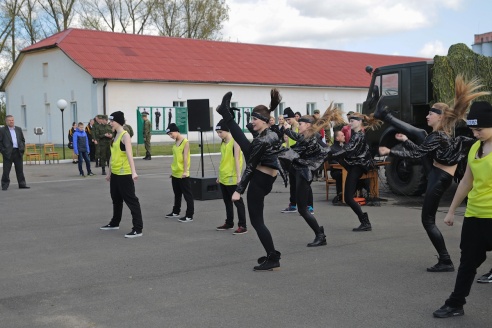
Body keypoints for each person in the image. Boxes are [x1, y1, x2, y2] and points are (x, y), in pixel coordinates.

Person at [378, 75, 489, 272]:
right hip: (439, 177)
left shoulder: (438, 135)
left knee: (427, 220)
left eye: (431, 113)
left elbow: (417, 154)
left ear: (440, 117)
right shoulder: (440, 135)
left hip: (438, 179)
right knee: (427, 220)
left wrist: (391, 151)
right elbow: (423, 151)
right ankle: (445, 259)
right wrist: (405, 140)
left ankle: (446, 260)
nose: (427, 116)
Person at [432, 101, 492, 318]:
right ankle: (455, 303)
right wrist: (451, 210)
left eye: (480, 129)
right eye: (473, 130)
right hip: (474, 215)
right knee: (468, 262)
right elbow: (467, 180)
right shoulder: (476, 147)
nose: (476, 134)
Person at [216, 89, 286, 271]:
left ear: (263, 120)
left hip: (258, 181)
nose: (252, 122)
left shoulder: (262, 140)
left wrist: (238, 191)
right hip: (265, 180)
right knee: (247, 147)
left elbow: (250, 167)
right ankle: (225, 112)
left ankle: (272, 257)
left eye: (255, 119)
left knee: (257, 222)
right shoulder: (269, 134)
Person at [279, 104, 342, 246]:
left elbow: (292, 152)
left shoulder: (309, 139)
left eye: (300, 124)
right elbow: (297, 138)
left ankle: (320, 235)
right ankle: (319, 231)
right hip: (302, 173)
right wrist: (287, 132)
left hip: (303, 174)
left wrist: (276, 151)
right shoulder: (307, 137)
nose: (298, 125)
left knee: (302, 209)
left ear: (308, 125)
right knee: (302, 208)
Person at [331, 112, 381, 231]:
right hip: (356, 167)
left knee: (348, 197)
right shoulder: (357, 135)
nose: (350, 123)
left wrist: (332, 153)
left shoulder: (358, 136)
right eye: (350, 121)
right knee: (348, 197)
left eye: (352, 121)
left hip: (356, 168)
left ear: (359, 122)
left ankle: (365, 222)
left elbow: (348, 150)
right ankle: (365, 221)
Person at [100, 111, 143, 238]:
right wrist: (109, 173)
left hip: (125, 174)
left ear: (118, 121)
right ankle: (115, 223)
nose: (110, 123)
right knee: (116, 199)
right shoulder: (115, 136)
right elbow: (113, 155)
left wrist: (134, 171)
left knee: (131, 200)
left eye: (112, 121)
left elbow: (129, 154)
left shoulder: (125, 135)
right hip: (115, 173)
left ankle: (138, 228)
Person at [215, 119, 248, 234]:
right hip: (224, 176)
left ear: (226, 131)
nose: (219, 135)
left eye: (220, 132)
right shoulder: (223, 143)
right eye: (217, 132)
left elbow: (237, 160)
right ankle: (229, 222)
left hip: (232, 176)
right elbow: (223, 160)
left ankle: (242, 225)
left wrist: (239, 177)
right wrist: (219, 176)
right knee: (227, 201)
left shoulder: (235, 141)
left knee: (237, 201)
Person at [165, 123, 194, 223]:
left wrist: (185, 171)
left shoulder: (185, 142)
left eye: (171, 133)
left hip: (183, 173)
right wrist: (173, 172)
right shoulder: (175, 142)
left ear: (176, 131)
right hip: (175, 173)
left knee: (187, 195)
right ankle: (175, 211)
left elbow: (185, 158)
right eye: (169, 135)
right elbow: (175, 158)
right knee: (177, 194)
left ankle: (189, 215)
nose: (170, 136)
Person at [0, 115, 30, 190]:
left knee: (20, 170)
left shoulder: (18, 129)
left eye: (12, 120)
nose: (11, 121)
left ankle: (22, 184)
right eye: (9, 120)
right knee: (6, 170)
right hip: (8, 153)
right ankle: (4, 185)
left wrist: (22, 148)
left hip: (18, 152)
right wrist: (3, 151)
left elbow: (22, 140)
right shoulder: (2, 130)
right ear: (6, 121)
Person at [329, 130, 345, 203]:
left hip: (346, 170)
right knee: (340, 174)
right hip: (336, 171)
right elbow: (331, 161)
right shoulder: (332, 148)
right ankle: (340, 194)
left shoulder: (346, 146)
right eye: (342, 135)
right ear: (337, 138)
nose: (344, 136)